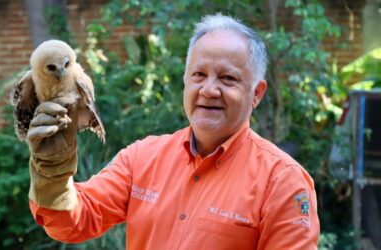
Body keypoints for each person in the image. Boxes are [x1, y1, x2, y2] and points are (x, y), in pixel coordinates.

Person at [26, 14, 320, 249]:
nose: (209, 90)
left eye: (228, 79)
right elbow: (74, 221)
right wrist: (53, 176)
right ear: (185, 80)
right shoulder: (142, 158)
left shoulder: (282, 183)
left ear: (256, 93)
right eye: (199, 75)